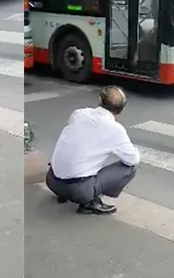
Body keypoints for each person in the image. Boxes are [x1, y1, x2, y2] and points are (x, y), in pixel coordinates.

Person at [46, 86, 140, 215]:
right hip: (78, 190)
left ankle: (66, 193)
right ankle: (90, 202)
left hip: (51, 181)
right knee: (130, 168)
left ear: (100, 99)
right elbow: (132, 159)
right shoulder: (115, 129)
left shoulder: (79, 113)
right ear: (122, 108)